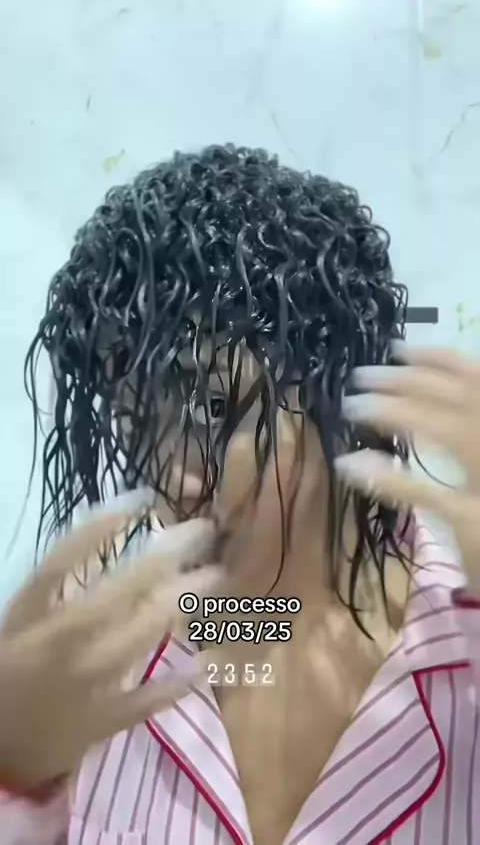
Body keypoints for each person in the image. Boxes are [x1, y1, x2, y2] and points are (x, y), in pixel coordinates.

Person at [0, 145, 479, 845]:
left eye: (214, 409)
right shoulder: (84, 670)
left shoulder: (464, 665)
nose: (174, 479)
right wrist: (15, 776)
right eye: (133, 419)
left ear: (342, 395)